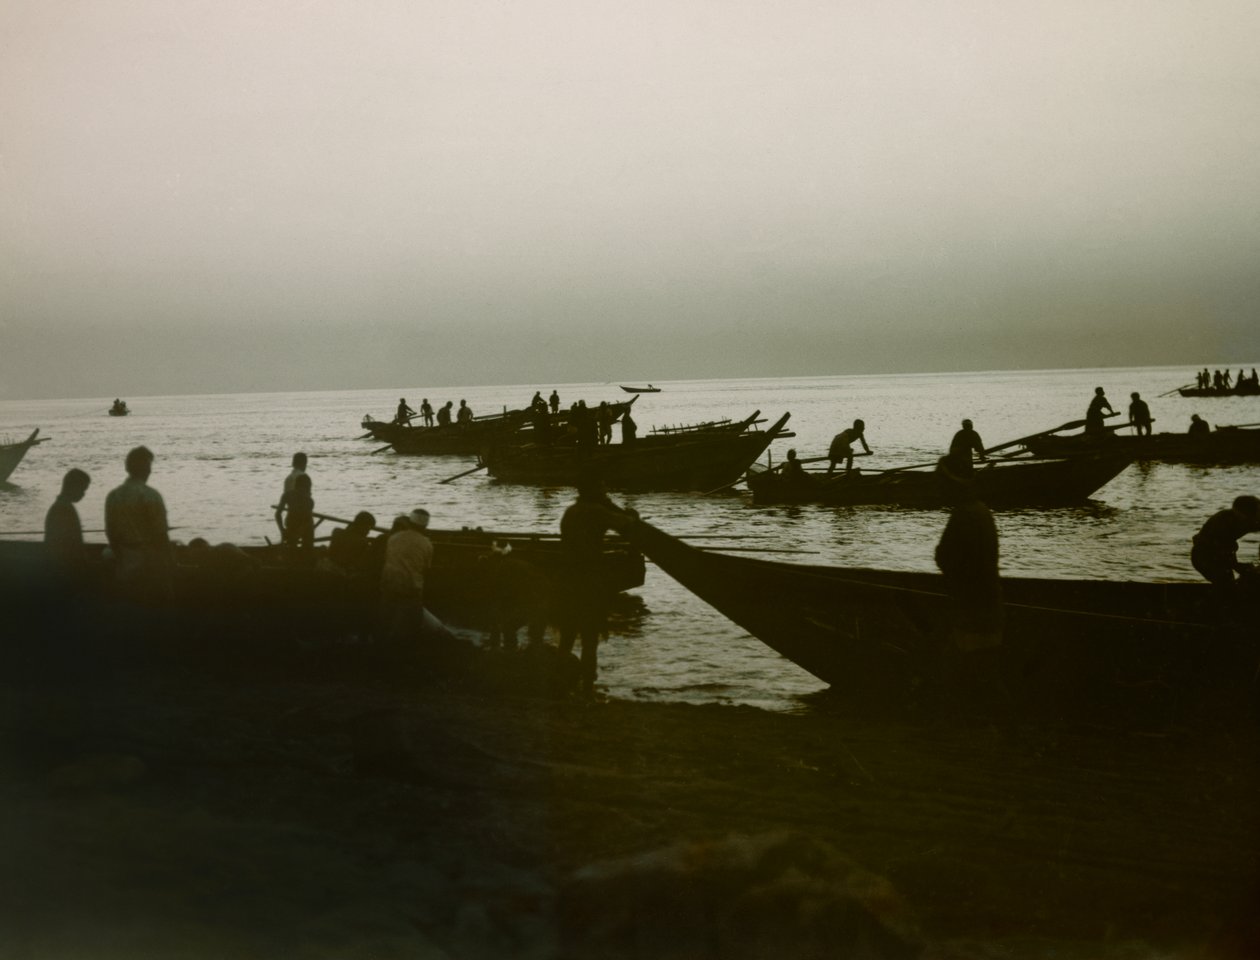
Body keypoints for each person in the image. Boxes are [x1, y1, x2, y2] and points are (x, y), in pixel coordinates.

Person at [557, 477, 637, 698]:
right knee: (590, 637)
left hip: (566, 579)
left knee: (568, 635)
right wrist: (617, 507)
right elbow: (627, 524)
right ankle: (587, 687)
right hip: (588, 579)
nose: (605, 491)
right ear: (595, 492)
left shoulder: (571, 511)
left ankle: (560, 682)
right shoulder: (596, 512)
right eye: (602, 488)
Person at [934, 457, 1003, 652]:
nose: (938, 488)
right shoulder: (980, 510)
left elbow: (945, 557)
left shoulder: (964, 514)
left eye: (941, 483)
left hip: (972, 613)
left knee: (971, 667)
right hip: (985, 607)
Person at [104, 445, 173, 604]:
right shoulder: (151, 496)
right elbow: (160, 535)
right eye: (149, 465)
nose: (150, 470)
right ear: (146, 468)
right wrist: (170, 565)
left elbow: (111, 533)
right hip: (149, 567)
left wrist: (122, 556)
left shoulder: (113, 496)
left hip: (124, 566)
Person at [1190, 496, 1260, 613]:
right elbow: (1221, 555)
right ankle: (1212, 613)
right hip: (1204, 556)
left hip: (1223, 553)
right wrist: (1241, 568)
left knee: (1236, 582)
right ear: (1242, 514)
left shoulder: (1252, 519)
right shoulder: (1223, 523)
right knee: (1225, 583)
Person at [379, 508, 434, 644]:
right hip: (411, 588)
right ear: (425, 526)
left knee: (386, 618)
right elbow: (426, 568)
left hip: (388, 583)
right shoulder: (427, 543)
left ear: (410, 522)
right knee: (410, 622)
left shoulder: (393, 538)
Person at [44, 468, 91, 577]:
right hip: (65, 571)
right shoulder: (64, 510)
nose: (83, 494)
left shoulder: (60, 507)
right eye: (83, 489)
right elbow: (71, 546)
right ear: (74, 487)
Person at [278, 473, 315, 559]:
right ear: (306, 487)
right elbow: (308, 520)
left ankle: (303, 556)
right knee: (307, 537)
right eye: (308, 488)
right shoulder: (309, 500)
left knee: (306, 532)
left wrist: (283, 530)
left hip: (297, 526)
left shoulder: (287, 495)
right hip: (294, 526)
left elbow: (278, 514)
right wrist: (283, 530)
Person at [274, 452, 309, 539]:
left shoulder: (288, 478)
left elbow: (287, 500)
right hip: (303, 520)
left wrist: (282, 530)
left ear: (293, 463)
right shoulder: (304, 477)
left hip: (290, 519)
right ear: (304, 463)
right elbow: (307, 502)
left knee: (291, 545)